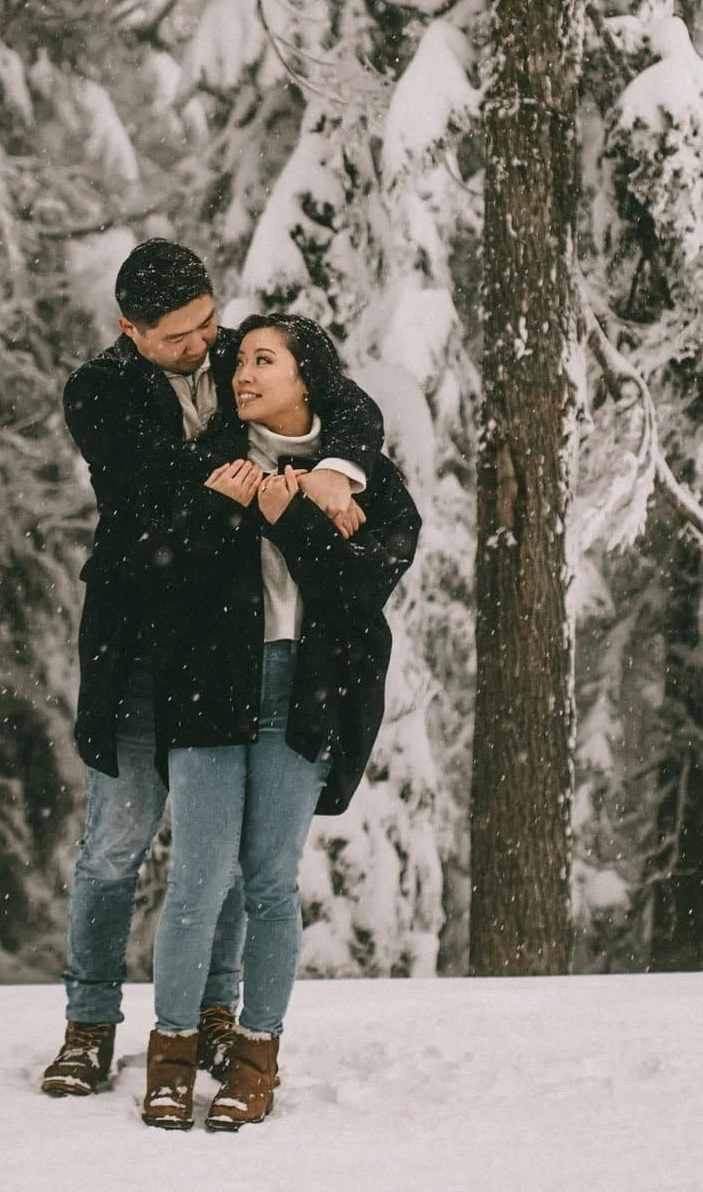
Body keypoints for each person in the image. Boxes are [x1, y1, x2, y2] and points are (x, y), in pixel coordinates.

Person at [40, 243, 387, 1099]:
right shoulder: (98, 390)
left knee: (225, 855)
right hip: (140, 646)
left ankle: (216, 1011)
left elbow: (345, 403)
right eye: (179, 336)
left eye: (209, 321)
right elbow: (141, 487)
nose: (206, 345)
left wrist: (335, 471)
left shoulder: (239, 354)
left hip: (227, 647)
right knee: (115, 845)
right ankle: (89, 1025)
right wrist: (245, 482)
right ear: (132, 330)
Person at [140, 313, 420, 1131]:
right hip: (208, 689)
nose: (244, 375)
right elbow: (161, 578)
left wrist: (285, 511)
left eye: (266, 361)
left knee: (268, 881)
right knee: (195, 879)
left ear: (308, 380)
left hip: (304, 691)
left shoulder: (371, 484)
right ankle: (172, 1051)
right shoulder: (208, 463)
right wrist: (217, 513)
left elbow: (354, 594)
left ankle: (256, 1057)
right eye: (241, 364)